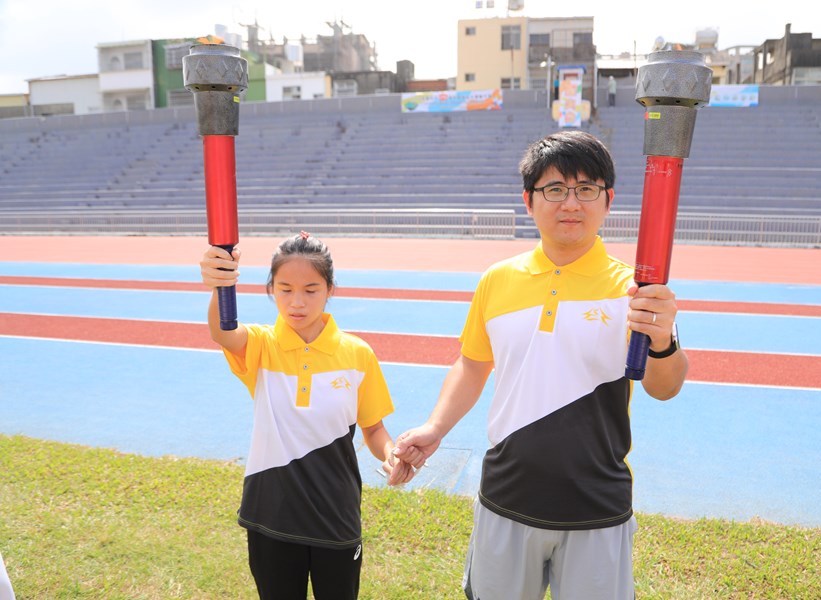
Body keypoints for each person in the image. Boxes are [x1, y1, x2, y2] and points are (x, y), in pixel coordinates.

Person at [393, 130, 688, 600]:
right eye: (554, 189)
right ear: (529, 202)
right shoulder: (497, 280)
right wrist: (435, 427)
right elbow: (472, 365)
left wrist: (662, 341)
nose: (570, 202)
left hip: (597, 506)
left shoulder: (634, 290)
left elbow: (665, 386)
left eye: (586, 189)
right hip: (507, 498)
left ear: (607, 201)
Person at [200, 232, 424, 600]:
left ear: (330, 289)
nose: (297, 302)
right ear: (271, 288)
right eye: (285, 289)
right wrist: (219, 285)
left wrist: (390, 454)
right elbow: (223, 332)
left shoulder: (357, 354)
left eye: (311, 289)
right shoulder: (261, 345)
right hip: (270, 513)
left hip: (334, 515)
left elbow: (373, 428)